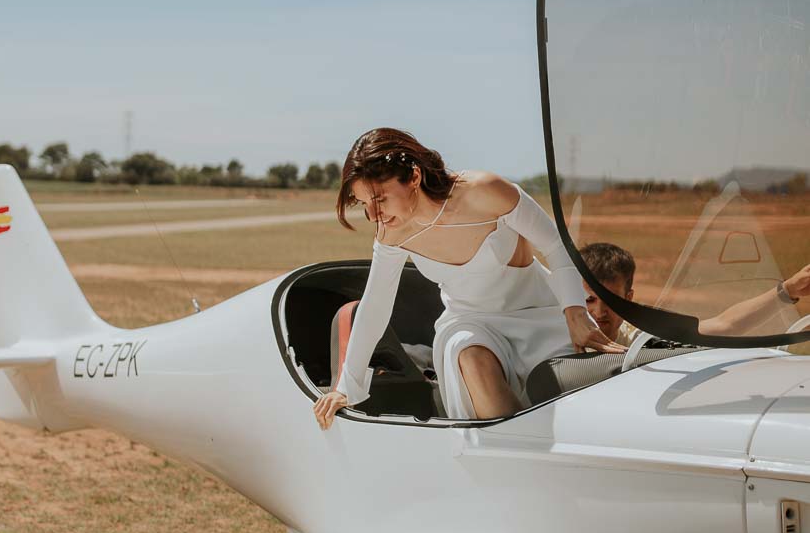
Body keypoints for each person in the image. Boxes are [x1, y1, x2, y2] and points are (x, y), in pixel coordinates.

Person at [313, 128, 618, 427]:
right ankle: (514, 455)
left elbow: (554, 245)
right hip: (469, 322)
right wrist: (345, 387)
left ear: (415, 177)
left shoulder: (485, 191)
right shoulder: (391, 231)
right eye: (364, 204)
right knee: (470, 357)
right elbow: (375, 305)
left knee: (572, 407)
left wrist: (575, 312)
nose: (374, 214)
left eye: (380, 199)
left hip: (538, 313)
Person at [582, 239, 810, 344]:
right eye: (589, 299)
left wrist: (787, 290)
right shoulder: (560, 334)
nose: (599, 312)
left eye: (611, 301)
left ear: (628, 299)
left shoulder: (638, 337)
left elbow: (724, 326)